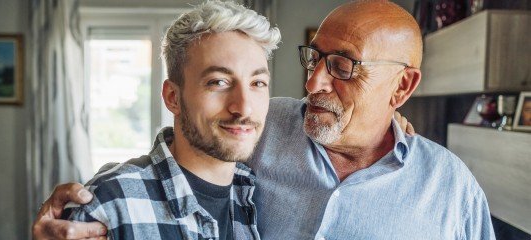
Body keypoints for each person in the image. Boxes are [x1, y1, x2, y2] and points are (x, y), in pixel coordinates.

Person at [34, 1, 494, 239]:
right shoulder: (263, 122)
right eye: (313, 58)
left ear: (402, 88)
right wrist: (101, 195)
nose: (313, 83)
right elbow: (183, 155)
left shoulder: (450, 188)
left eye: (343, 65)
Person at [37, 1, 280, 239]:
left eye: (257, 83)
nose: (244, 107)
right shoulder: (108, 205)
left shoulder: (256, 195)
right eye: (218, 82)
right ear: (173, 97)